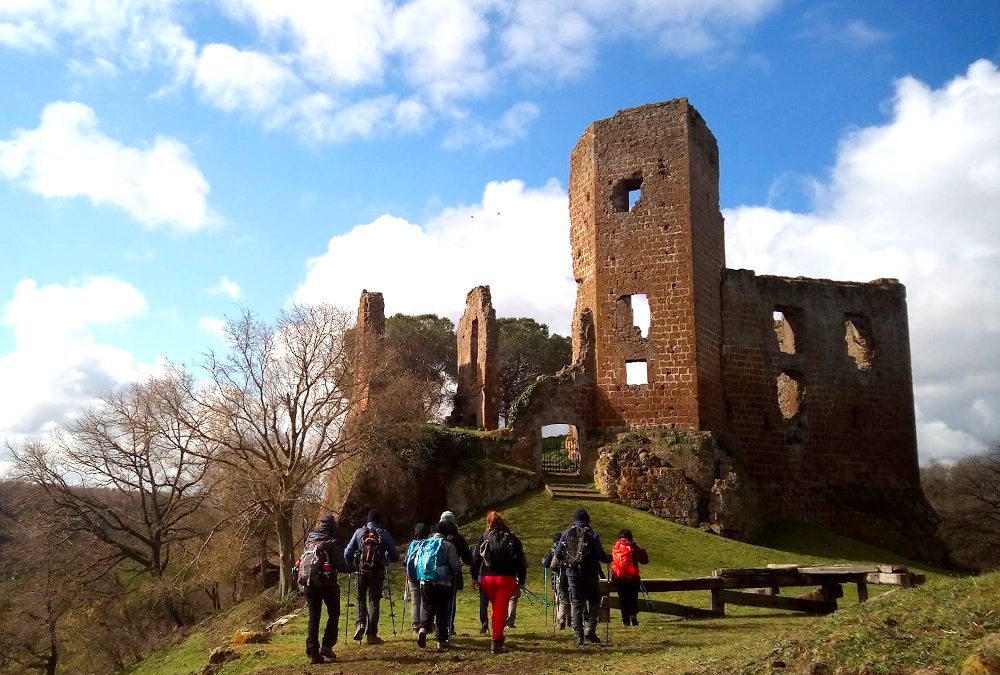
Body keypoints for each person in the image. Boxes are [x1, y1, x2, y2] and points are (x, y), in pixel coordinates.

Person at [296, 514, 352, 664]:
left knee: (314, 618)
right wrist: (353, 567)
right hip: (327, 585)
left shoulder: (309, 541)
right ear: (332, 528)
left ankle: (312, 653)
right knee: (334, 614)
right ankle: (327, 646)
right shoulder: (330, 544)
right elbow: (342, 566)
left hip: (308, 583)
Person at [471, 510, 526, 654]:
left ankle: (499, 637)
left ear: (488, 523)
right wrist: (521, 579)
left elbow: (476, 559)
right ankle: (495, 643)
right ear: (503, 522)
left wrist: (474, 576)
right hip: (506, 578)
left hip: (487, 578)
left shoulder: (484, 537)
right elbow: (520, 561)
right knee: (501, 609)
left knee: (496, 607)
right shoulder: (512, 538)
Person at [555, 507, 611, 646]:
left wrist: (567, 560)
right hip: (590, 574)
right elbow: (601, 556)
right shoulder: (592, 534)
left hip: (572, 573)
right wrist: (610, 558)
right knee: (593, 601)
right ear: (587, 520)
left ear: (575, 520)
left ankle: (578, 635)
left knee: (576, 603)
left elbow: (557, 554)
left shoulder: (567, 533)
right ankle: (590, 629)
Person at [344, 509, 400, 644]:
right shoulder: (383, 534)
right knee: (374, 602)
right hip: (377, 572)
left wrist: (351, 566)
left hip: (361, 571)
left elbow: (347, 552)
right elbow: (395, 556)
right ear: (379, 521)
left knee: (360, 599)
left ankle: (360, 624)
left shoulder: (359, 533)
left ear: (368, 520)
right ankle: (372, 635)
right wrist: (386, 557)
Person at [407, 521, 462, 650]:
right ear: (445, 533)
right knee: (442, 611)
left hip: (425, 582)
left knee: (426, 608)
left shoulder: (424, 544)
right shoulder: (447, 545)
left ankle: (422, 631)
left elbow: (416, 562)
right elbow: (456, 566)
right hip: (443, 584)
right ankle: (440, 641)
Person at [438, 510, 474, 638]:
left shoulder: (436, 537)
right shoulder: (458, 538)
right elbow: (468, 559)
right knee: (450, 601)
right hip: (453, 573)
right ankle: (449, 627)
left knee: (438, 601)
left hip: (436, 574)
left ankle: (438, 627)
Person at [610, 528, 649, 626]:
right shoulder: (633, 546)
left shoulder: (617, 547)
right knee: (633, 597)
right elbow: (645, 561)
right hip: (632, 578)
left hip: (618, 578)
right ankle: (634, 618)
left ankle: (625, 620)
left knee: (623, 599)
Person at [403, 523, 430, 634]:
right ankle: (424, 624)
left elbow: (405, 561)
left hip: (412, 577)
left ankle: (415, 626)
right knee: (424, 600)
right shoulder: (428, 544)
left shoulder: (412, 545)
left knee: (415, 601)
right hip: (424, 575)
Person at [542, 532, 570, 630]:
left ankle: (561, 619)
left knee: (560, 600)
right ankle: (570, 619)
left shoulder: (553, 550)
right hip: (571, 576)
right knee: (571, 598)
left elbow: (546, 564)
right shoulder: (568, 547)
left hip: (558, 577)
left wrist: (544, 560)